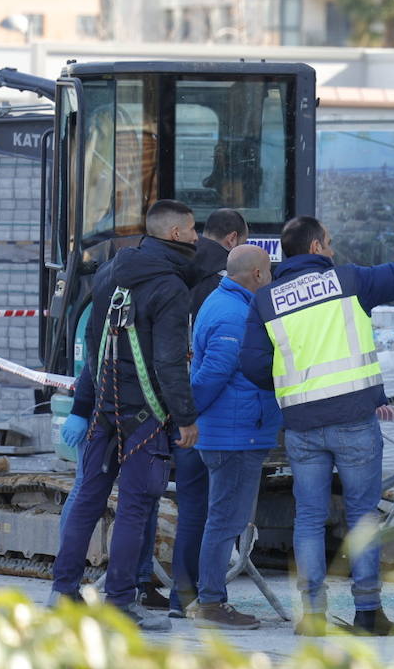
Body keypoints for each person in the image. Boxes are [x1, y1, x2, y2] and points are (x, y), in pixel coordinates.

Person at [240, 216, 394, 637]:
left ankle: (313, 616)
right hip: (354, 419)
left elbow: (251, 364)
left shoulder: (265, 301)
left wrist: (293, 383)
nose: (335, 250)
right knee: (361, 516)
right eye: (331, 243)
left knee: (308, 518)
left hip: (303, 424)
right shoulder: (349, 282)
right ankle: (367, 613)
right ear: (318, 248)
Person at [49, 199, 201, 631]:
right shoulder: (170, 286)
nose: (195, 237)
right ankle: (119, 603)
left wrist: (86, 406)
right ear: (174, 234)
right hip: (146, 417)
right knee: (135, 508)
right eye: (191, 230)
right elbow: (170, 363)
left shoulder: (110, 272)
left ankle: (63, 593)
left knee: (87, 500)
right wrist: (185, 418)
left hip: (104, 410)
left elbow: (95, 345)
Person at [162, 207, 248, 617]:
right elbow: (219, 366)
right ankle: (207, 598)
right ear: (233, 240)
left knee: (191, 506)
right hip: (210, 416)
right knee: (218, 510)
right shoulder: (227, 285)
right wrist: (190, 413)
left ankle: (182, 596)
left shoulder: (173, 270)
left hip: (175, 404)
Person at [188, 244, 277, 629]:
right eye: (269, 272)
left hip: (233, 431)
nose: (271, 278)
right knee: (226, 520)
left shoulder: (222, 300)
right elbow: (211, 375)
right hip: (234, 436)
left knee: (223, 518)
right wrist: (191, 413)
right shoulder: (234, 314)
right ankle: (211, 602)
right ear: (257, 275)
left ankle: (209, 599)